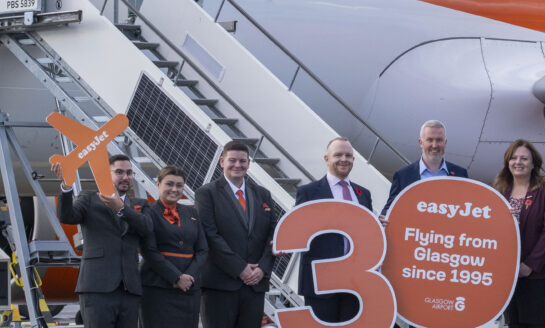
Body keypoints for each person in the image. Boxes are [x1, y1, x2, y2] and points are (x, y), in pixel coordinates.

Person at [53, 154, 150, 328]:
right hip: (97, 288)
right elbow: (66, 216)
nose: (125, 177)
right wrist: (66, 186)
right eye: (119, 172)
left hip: (129, 290)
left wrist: (121, 208)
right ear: (107, 174)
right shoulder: (89, 199)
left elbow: (146, 228)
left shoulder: (140, 205)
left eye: (129, 173)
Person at [195, 141, 278, 328]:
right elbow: (210, 235)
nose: (237, 165)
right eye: (232, 160)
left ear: (249, 163)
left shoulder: (263, 194)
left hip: (255, 286)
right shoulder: (206, 193)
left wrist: (262, 269)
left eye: (242, 161)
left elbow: (274, 235)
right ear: (222, 162)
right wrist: (240, 268)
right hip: (220, 285)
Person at [293, 137, 374, 323]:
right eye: (338, 155)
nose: (343, 159)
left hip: (354, 283)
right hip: (321, 283)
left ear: (353, 160)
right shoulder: (309, 192)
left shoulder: (363, 194)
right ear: (326, 158)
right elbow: (298, 232)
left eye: (348, 155)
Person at [493, 139, 545, 328]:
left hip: (537, 273)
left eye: (524, 158)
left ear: (533, 164)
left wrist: (530, 265)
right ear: (508, 162)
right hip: (508, 274)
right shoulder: (500, 191)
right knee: (513, 324)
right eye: (514, 158)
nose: (518, 162)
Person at [139, 165, 208, 328]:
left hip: (189, 288)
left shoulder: (192, 213)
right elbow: (149, 250)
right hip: (158, 286)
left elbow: (203, 249)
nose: (174, 189)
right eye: (169, 184)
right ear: (158, 184)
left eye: (179, 185)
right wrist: (176, 277)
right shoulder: (147, 212)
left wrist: (188, 277)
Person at [379, 120, 469, 220]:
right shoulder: (403, 176)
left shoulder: (460, 174)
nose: (434, 145)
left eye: (439, 140)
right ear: (421, 143)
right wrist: (383, 218)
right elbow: (389, 210)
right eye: (430, 140)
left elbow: (467, 210)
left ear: (445, 142)